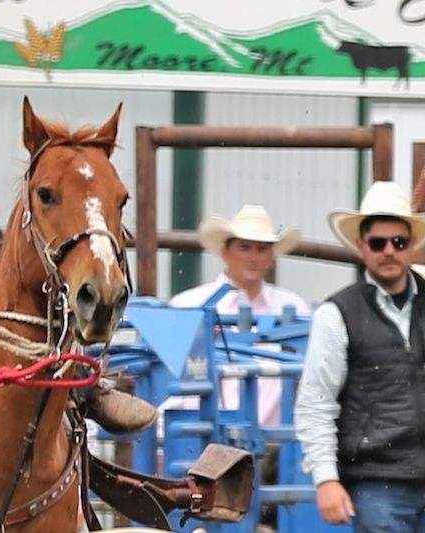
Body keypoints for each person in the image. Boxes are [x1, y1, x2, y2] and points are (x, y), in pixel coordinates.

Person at [295, 181, 425, 532]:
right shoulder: (337, 314)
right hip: (378, 482)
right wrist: (326, 479)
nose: (389, 251)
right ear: (361, 246)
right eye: (378, 243)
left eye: (398, 242)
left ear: (412, 245)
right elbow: (316, 402)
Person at [169, 204, 311, 426]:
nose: (253, 257)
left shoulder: (296, 307)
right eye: (244, 247)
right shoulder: (187, 305)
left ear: (271, 256)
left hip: (274, 446)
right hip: (200, 435)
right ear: (225, 253)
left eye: (262, 249)